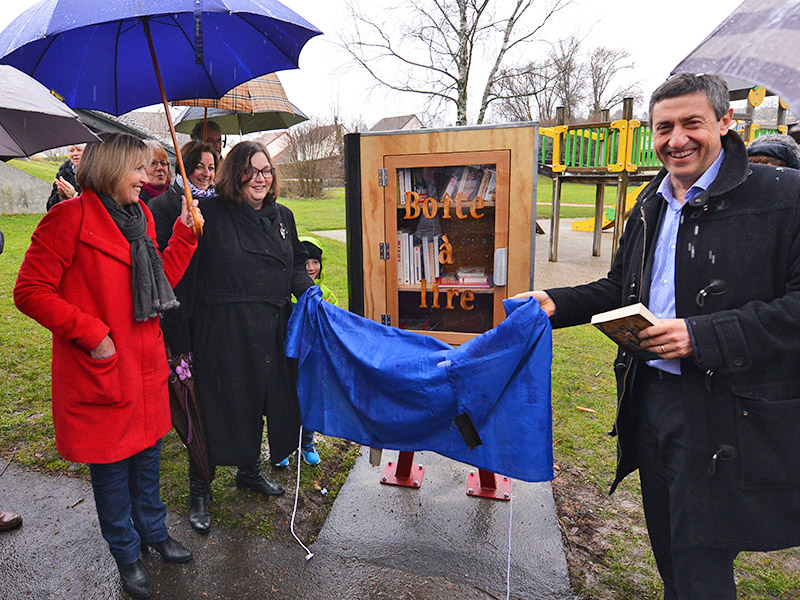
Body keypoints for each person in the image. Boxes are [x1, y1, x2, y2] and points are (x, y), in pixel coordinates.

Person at [515, 73, 800, 600]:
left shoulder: (785, 196)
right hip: (650, 401)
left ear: (725, 122)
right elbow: (618, 287)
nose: (677, 139)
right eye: (663, 127)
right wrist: (555, 303)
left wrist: (701, 335)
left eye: (692, 123)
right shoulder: (649, 200)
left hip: (726, 412)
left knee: (700, 563)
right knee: (670, 546)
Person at [14, 133, 203, 600]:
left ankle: (155, 534)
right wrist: (92, 334)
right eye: (138, 168)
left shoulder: (138, 219)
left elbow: (161, 281)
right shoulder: (68, 219)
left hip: (143, 368)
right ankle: (126, 553)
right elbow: (30, 291)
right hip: (103, 367)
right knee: (112, 470)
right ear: (111, 167)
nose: (146, 178)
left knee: (148, 461)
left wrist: (184, 232)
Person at [167, 141, 312, 535]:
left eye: (266, 171)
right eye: (252, 171)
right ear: (235, 175)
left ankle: (249, 470)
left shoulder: (283, 216)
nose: (261, 179)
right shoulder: (209, 214)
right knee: (215, 406)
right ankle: (200, 488)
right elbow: (186, 277)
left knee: (262, 399)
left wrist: (307, 289)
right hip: (222, 329)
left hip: (270, 326)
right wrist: (183, 335)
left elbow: (296, 262)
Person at [277, 235, 338, 468]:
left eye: (315, 262)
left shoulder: (326, 294)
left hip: (314, 359)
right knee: (284, 400)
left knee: (309, 401)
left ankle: (307, 443)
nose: (311, 268)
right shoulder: (284, 293)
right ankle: (283, 446)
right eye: (305, 264)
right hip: (287, 357)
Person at [46, 143, 84, 210]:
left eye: (79, 150)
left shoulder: (96, 173)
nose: (75, 154)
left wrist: (74, 195)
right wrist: (60, 196)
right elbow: (50, 207)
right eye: (71, 151)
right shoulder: (63, 173)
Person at [138, 140, 171, 204]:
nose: (160, 168)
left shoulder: (177, 197)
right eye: (153, 163)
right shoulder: (133, 198)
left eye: (163, 163)